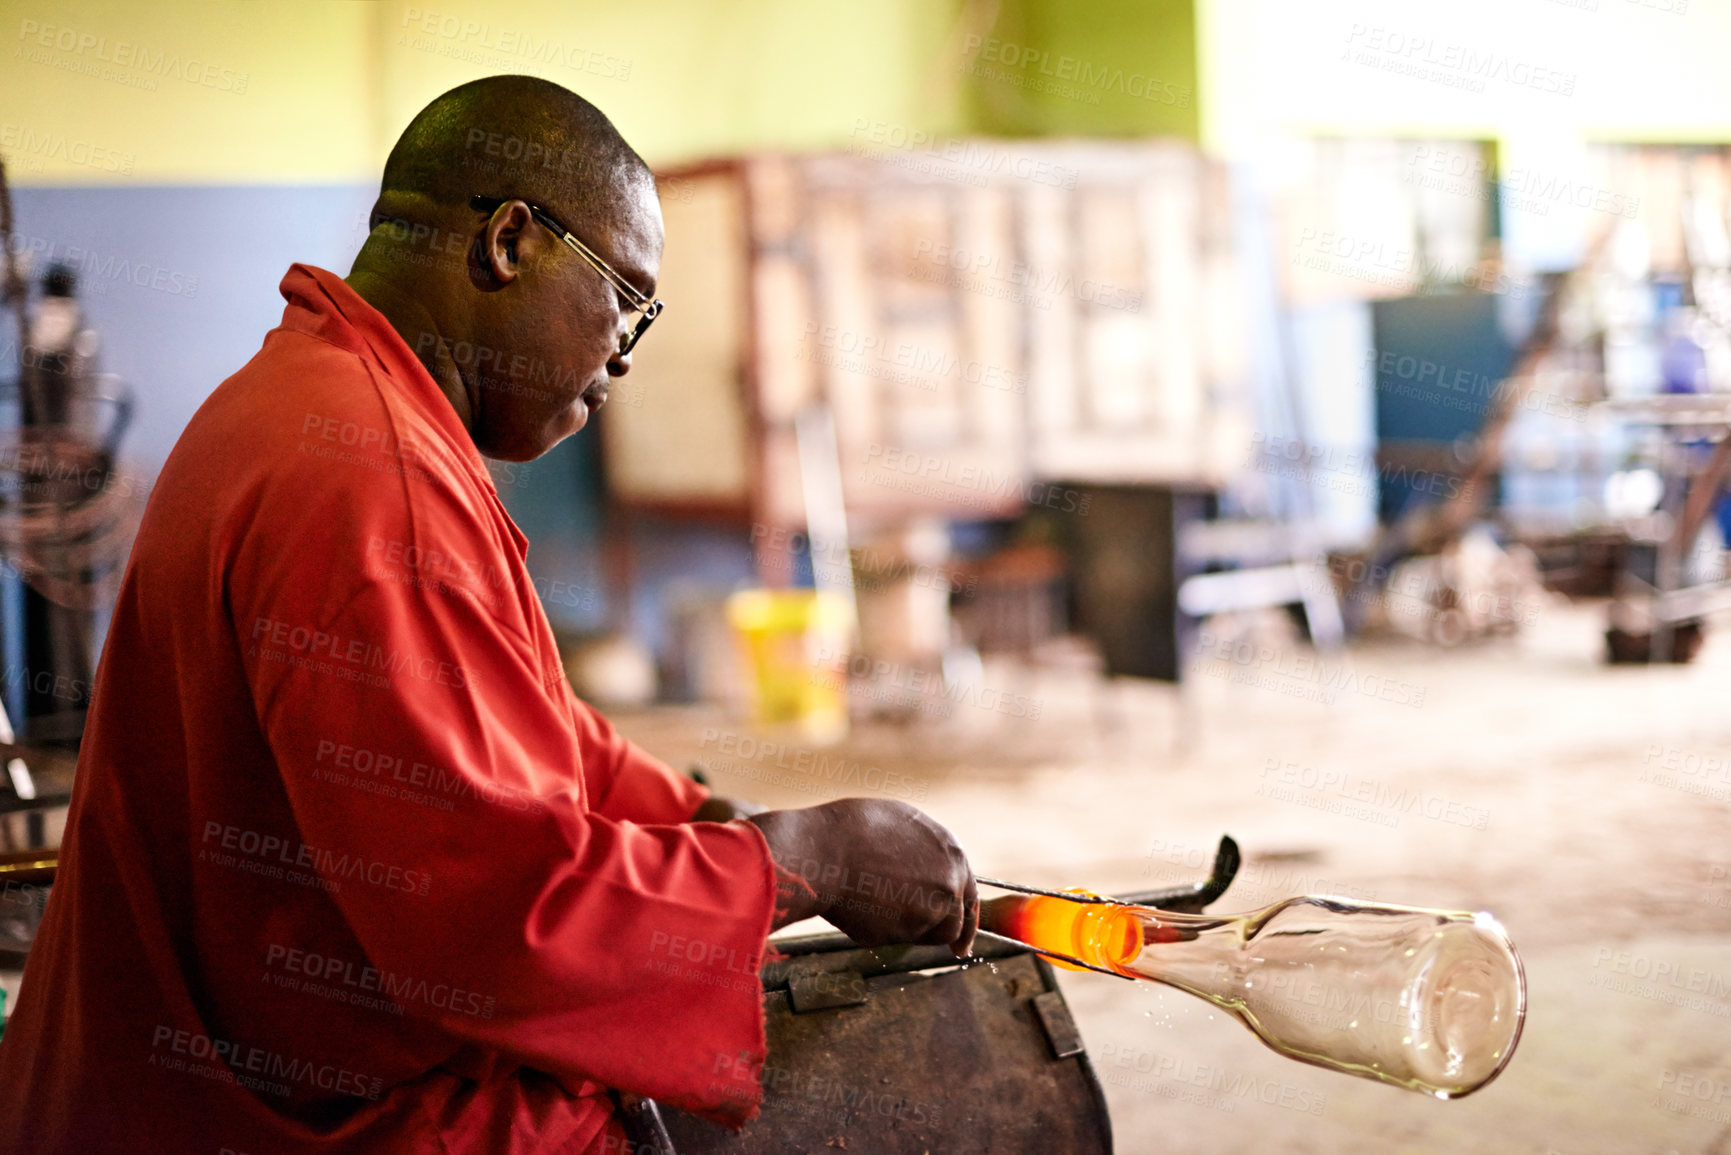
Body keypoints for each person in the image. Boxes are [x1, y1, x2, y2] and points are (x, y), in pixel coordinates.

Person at [0, 75, 977, 1154]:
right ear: (512, 240)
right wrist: (806, 861)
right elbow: (501, 920)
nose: (623, 357)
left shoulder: (317, 402)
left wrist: (702, 821)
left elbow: (523, 728)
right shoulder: (372, 480)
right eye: (626, 300)